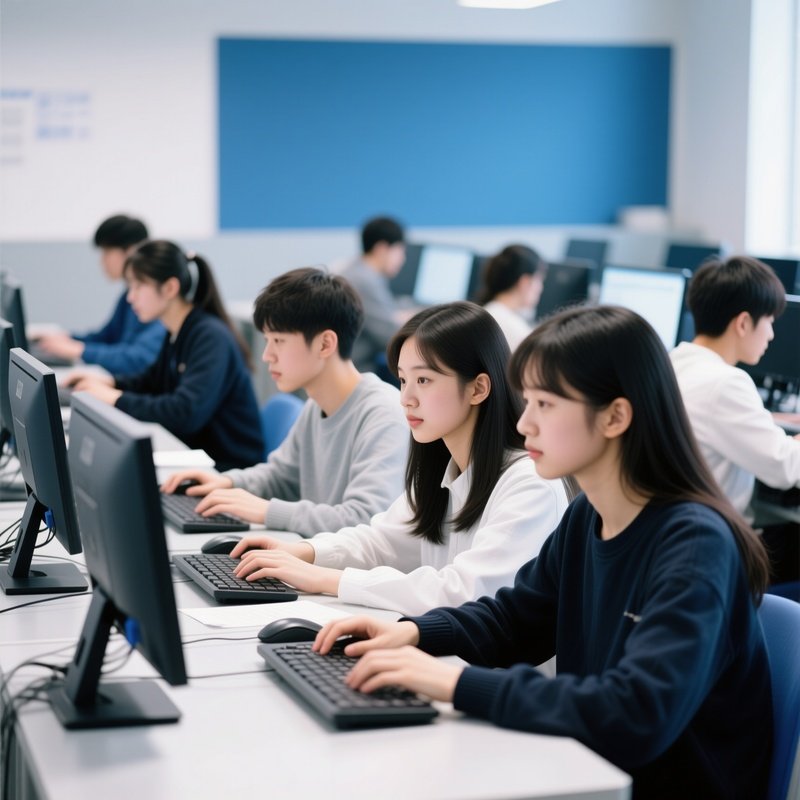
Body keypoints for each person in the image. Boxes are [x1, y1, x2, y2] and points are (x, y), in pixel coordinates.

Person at [315, 305, 773, 799]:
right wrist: (413, 632)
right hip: (583, 768)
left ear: (616, 416)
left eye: (545, 405)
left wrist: (456, 685)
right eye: (527, 400)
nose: (525, 422)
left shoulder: (695, 544)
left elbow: (637, 712)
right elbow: (514, 620)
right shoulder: (587, 516)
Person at [228, 301, 569, 616]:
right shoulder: (443, 470)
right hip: (437, 648)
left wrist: (324, 579)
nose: (406, 398)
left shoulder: (529, 485)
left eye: (424, 380)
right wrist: (303, 552)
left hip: (478, 662)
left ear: (478, 388)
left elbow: (465, 592)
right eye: (404, 380)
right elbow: (381, 542)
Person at [161, 267, 408, 536]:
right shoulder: (317, 405)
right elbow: (280, 477)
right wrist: (226, 482)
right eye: (267, 340)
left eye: (278, 340)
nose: (267, 355)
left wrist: (268, 511)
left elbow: (365, 520)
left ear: (325, 344)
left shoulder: (384, 415)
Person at [68, 240, 263, 470]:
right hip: (193, 456)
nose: (130, 297)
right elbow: (151, 381)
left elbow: (184, 413)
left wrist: (114, 398)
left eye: (138, 286)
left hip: (226, 469)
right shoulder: (177, 331)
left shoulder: (210, 337)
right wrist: (110, 382)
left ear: (170, 288)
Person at [669, 255, 800, 518]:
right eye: (769, 321)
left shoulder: (674, 361)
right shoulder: (725, 384)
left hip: (673, 524)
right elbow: (785, 467)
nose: (771, 334)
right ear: (743, 323)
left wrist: (770, 422)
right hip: (707, 531)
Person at [33, 215, 165, 372]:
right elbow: (107, 337)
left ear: (131, 251)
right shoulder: (128, 296)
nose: (102, 261)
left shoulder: (156, 299)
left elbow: (137, 359)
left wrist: (79, 350)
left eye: (107, 252)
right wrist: (67, 338)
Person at [340, 216, 408, 373]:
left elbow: (386, 310)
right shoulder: (364, 281)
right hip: (357, 368)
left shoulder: (357, 269)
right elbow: (389, 337)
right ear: (382, 249)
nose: (403, 259)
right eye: (400, 251)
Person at [478, 244, 547, 350]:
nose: (541, 287)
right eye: (539, 280)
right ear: (525, 282)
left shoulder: (489, 311)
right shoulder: (517, 331)